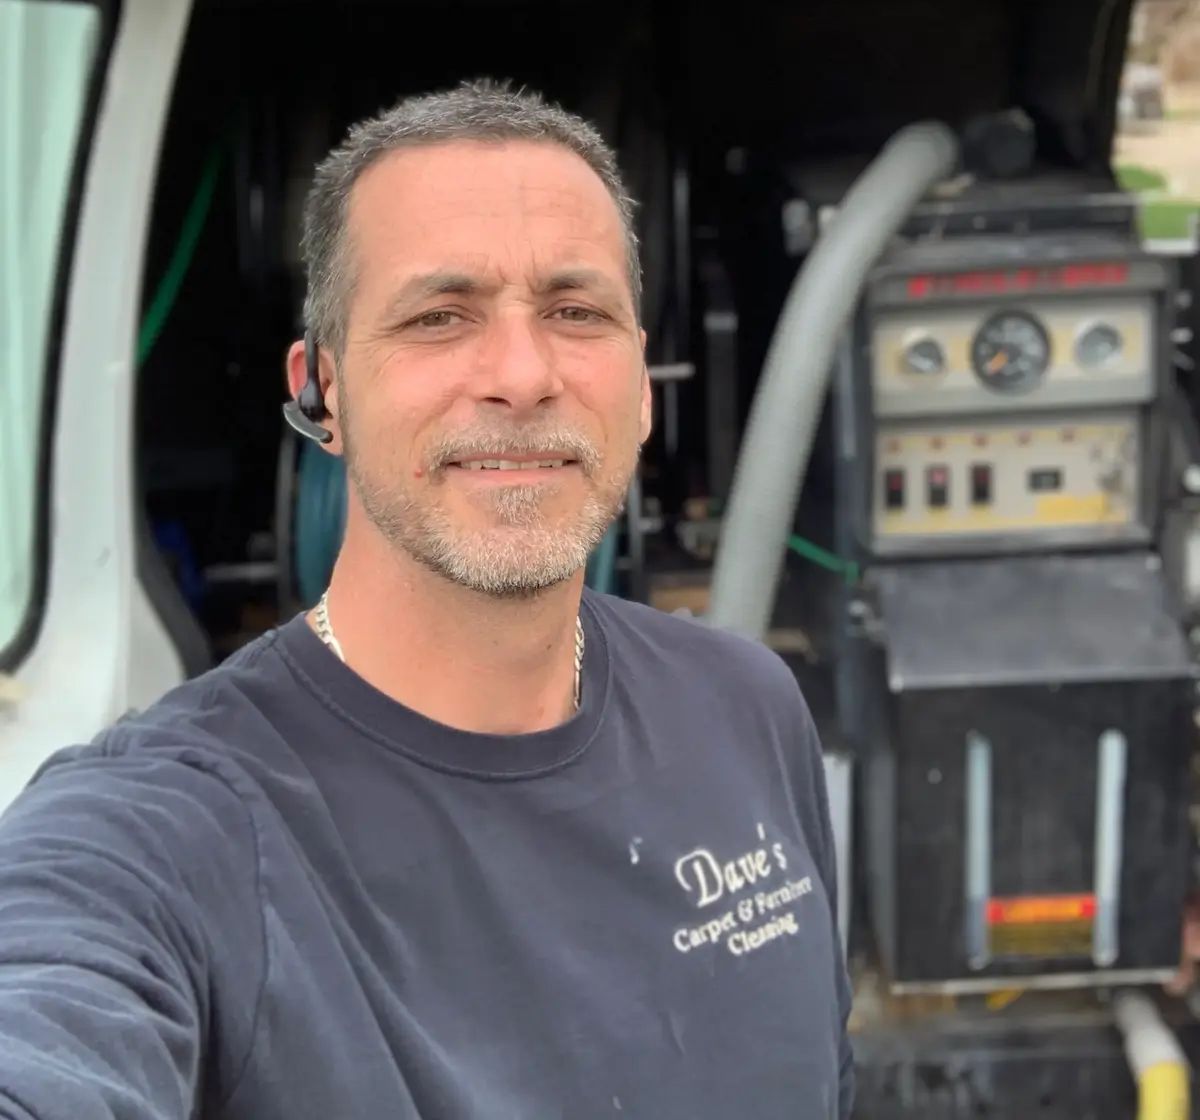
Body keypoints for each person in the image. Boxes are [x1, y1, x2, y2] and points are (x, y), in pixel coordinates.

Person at [0, 79, 853, 1119]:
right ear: (323, 394)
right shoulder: (171, 833)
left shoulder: (744, 707)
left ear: (642, 388)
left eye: (576, 311)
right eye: (439, 316)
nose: (522, 373)